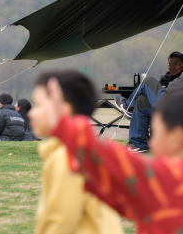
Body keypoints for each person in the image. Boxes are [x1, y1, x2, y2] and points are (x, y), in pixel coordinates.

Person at [33, 75, 183, 234]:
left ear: (177, 138)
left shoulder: (169, 178)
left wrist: (60, 122)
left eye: (157, 133)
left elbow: (104, 155)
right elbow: (131, 203)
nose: (150, 142)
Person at [30, 70, 124, 234]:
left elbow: (60, 222)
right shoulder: (83, 151)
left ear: (62, 109)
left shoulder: (67, 158)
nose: (31, 113)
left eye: (37, 105)